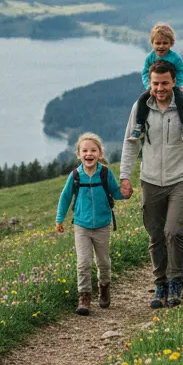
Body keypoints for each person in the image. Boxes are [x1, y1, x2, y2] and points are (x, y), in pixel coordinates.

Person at [119, 60, 183, 308]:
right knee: (155, 236)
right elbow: (131, 143)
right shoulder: (141, 108)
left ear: (174, 82)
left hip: (181, 179)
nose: (160, 88)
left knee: (174, 231)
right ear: (149, 83)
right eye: (155, 83)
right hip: (149, 180)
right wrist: (125, 177)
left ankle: (176, 283)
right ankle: (160, 284)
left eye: (164, 83)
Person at [55, 132, 125, 316]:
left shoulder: (105, 173)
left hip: (103, 225)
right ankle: (84, 297)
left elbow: (116, 192)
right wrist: (59, 219)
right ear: (79, 154)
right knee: (83, 263)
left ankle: (104, 287)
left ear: (100, 154)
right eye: (84, 150)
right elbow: (65, 197)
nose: (89, 154)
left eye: (93, 150)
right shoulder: (76, 175)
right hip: (81, 226)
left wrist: (126, 192)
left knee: (103, 262)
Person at [129, 22, 183, 142]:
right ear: (152, 43)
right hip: (155, 87)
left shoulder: (175, 58)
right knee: (142, 99)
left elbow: (181, 72)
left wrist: (178, 84)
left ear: (171, 43)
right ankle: (139, 125)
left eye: (165, 43)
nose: (161, 46)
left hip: (173, 85)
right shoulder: (150, 58)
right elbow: (145, 72)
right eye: (158, 43)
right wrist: (149, 85)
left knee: (181, 99)